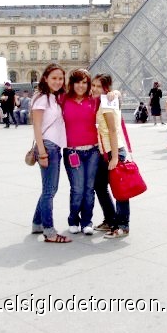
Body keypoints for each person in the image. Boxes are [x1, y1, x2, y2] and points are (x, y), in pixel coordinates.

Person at [31, 64, 70, 242]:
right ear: (46, 78)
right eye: (54, 78)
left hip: (55, 146)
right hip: (48, 147)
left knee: (50, 189)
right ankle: (49, 231)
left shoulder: (54, 97)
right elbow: (37, 127)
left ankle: (37, 223)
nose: (57, 81)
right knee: (49, 190)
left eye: (60, 78)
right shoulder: (41, 99)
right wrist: (42, 152)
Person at [61, 68, 100, 235]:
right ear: (72, 83)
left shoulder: (95, 101)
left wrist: (116, 93)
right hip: (72, 152)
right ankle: (73, 218)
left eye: (85, 82)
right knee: (77, 189)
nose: (81, 86)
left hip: (92, 151)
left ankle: (87, 221)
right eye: (78, 82)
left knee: (89, 189)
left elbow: (111, 96)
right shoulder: (63, 99)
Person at [92, 73, 131, 238]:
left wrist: (115, 157)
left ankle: (122, 226)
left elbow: (113, 130)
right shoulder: (103, 100)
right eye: (93, 85)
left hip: (113, 151)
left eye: (99, 86)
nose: (94, 89)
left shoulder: (106, 101)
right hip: (105, 152)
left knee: (119, 190)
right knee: (100, 186)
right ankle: (110, 219)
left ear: (106, 88)